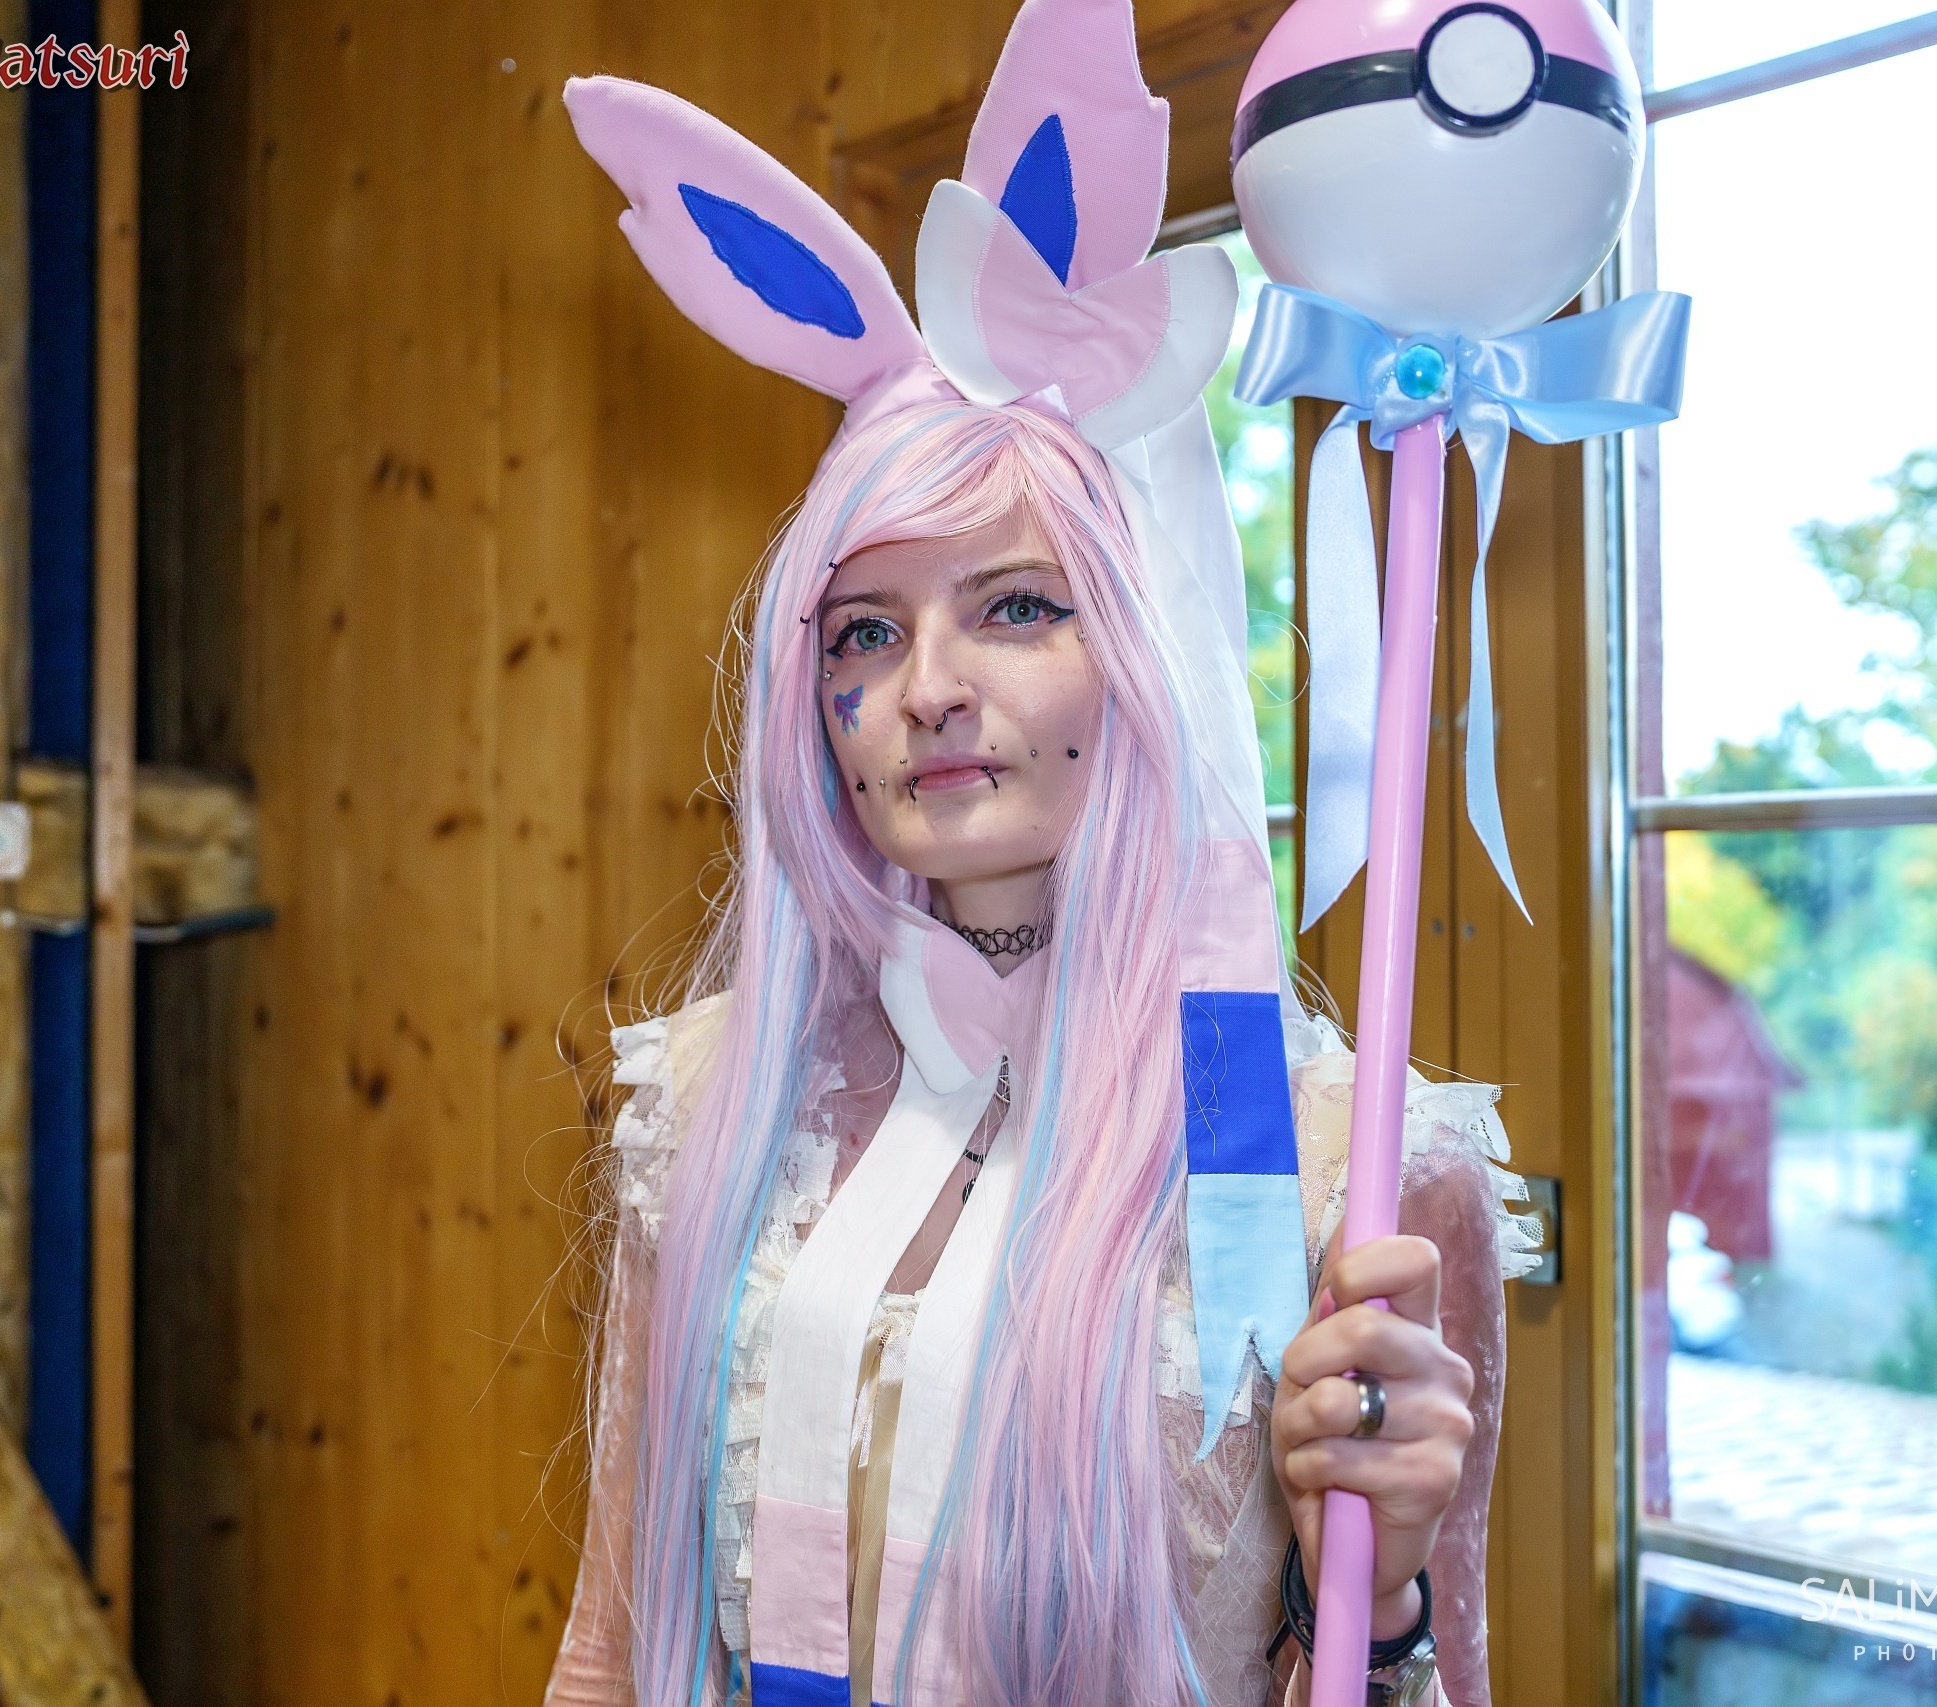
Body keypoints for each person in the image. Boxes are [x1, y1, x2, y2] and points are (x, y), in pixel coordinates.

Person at [550, 5, 1537, 1702]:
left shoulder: (1348, 1170)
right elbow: (608, 1642)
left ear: (1144, 655)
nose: (926, 688)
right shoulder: (707, 1108)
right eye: (864, 632)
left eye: (1014, 607)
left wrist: (1376, 1602)